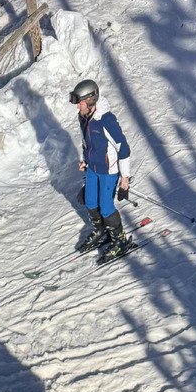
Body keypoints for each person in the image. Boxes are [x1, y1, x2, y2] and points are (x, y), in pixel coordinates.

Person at [70, 77, 132, 260]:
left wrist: (125, 179)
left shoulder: (106, 120)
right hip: (92, 168)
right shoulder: (84, 117)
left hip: (108, 171)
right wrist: (85, 160)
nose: (77, 107)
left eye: (80, 103)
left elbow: (123, 148)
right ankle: (101, 231)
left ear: (90, 100)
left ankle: (119, 240)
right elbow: (86, 142)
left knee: (106, 208)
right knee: (90, 202)